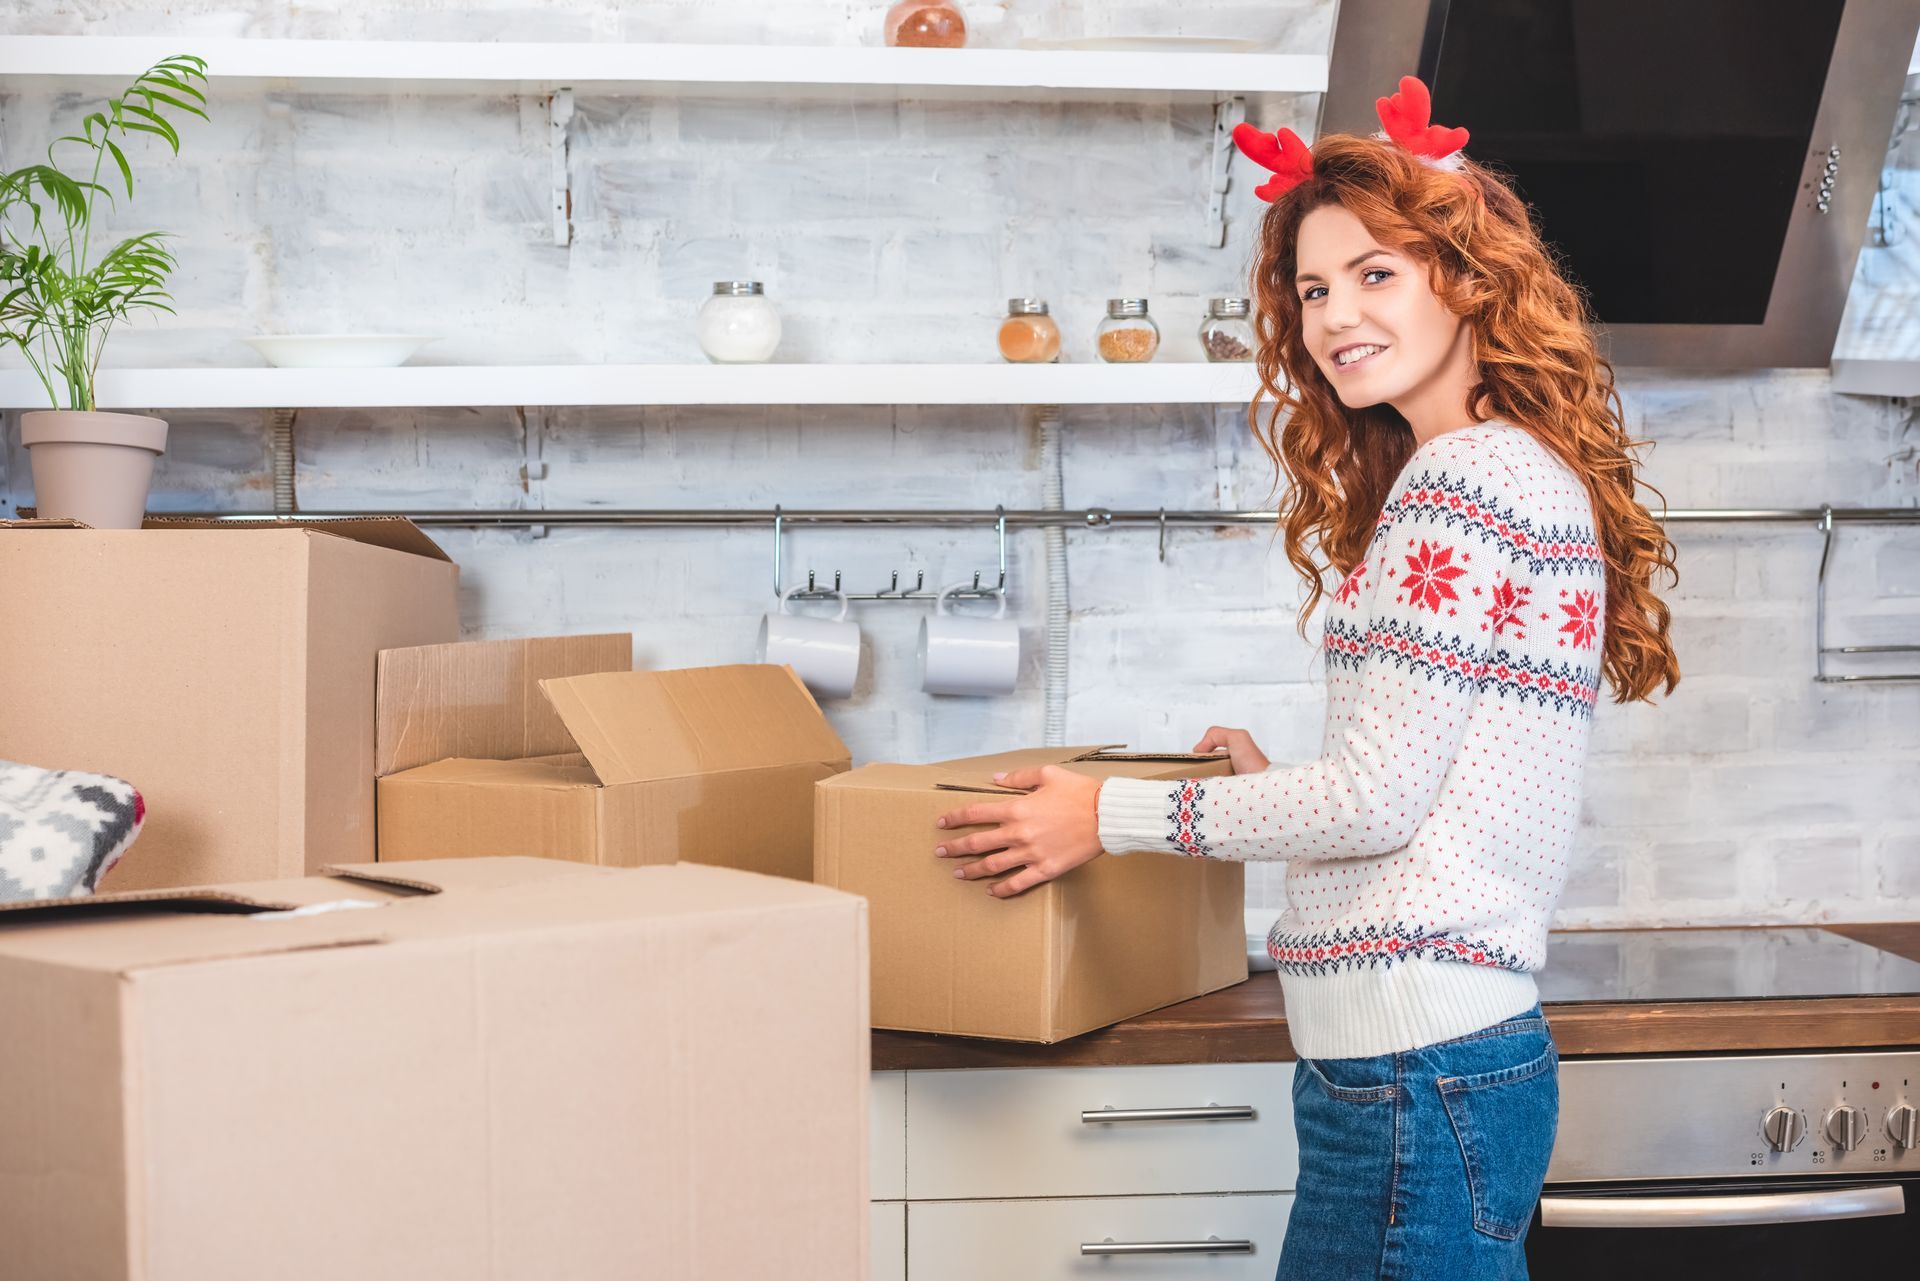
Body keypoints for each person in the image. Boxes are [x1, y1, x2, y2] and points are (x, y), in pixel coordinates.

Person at [931, 75, 1681, 1280]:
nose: (1334, 316)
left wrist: (1101, 815)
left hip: (1411, 1074)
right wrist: (1277, 792)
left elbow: (1378, 803)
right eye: (1313, 288)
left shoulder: (1464, 483)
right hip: (1435, 1067)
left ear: (1467, 279)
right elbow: (1411, 792)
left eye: (1375, 274)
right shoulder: (1508, 471)